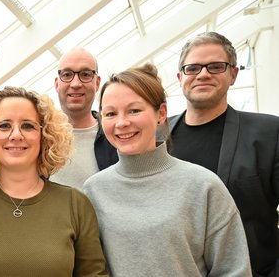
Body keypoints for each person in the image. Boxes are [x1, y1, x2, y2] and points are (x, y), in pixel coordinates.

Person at [83, 63, 252, 276]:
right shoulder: (94, 190)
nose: (122, 123)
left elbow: (233, 270)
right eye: (110, 114)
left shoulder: (203, 185)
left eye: (134, 110)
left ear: (161, 113)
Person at [0, 86, 109, 277]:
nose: (16, 135)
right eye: (4, 126)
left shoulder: (76, 204)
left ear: (45, 134)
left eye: (28, 125)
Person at [170, 31, 279, 277]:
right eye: (193, 68)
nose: (203, 74)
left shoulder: (269, 133)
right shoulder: (156, 137)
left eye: (216, 66)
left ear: (233, 74)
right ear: (180, 77)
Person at [51, 47, 118, 189]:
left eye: (86, 74)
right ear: (57, 84)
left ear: (97, 83)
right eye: (67, 74)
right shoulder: (37, 137)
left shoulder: (116, 136)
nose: (76, 84)